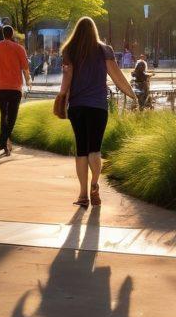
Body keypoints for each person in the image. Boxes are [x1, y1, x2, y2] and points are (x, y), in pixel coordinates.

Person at [56, 17, 136, 206]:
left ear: (77, 31)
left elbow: (67, 76)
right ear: (94, 31)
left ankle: (83, 195)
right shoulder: (104, 50)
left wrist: (61, 98)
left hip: (77, 107)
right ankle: (95, 184)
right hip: (98, 107)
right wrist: (132, 94)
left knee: (81, 150)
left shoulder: (69, 50)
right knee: (95, 150)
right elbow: (117, 76)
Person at [0, 25, 32, 156]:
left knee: (4, 114)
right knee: (12, 116)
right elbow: (25, 67)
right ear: (12, 35)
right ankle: (3, 140)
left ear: (3, 34)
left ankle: (4, 143)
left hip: (0, 87)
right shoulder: (19, 48)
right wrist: (28, 80)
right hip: (15, 87)